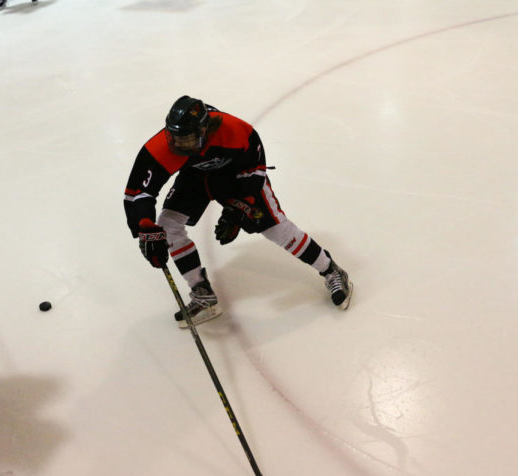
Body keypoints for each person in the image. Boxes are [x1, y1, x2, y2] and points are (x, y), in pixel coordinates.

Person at [124, 95, 353, 327]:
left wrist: (237, 210)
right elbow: (137, 193)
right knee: (167, 225)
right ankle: (202, 293)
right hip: (195, 177)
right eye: (174, 138)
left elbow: (255, 171)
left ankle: (330, 269)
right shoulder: (162, 146)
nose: (179, 145)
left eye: (188, 139)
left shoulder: (235, 131)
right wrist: (145, 227)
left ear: (204, 130)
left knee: (274, 227)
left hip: (237, 176)